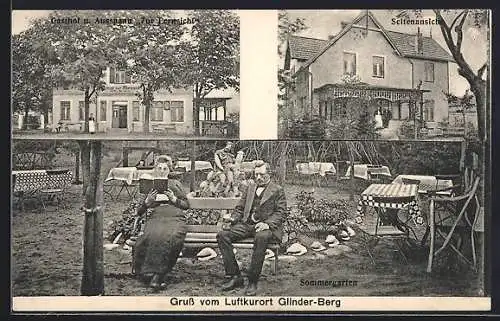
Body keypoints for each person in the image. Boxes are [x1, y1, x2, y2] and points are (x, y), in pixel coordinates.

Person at [216, 161, 287, 296]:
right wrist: (232, 218)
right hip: (247, 225)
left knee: (261, 237)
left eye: (262, 174)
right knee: (222, 235)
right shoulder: (250, 188)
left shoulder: (277, 190)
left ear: (269, 174)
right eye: (256, 175)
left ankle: (252, 281)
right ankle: (235, 275)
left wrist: (267, 224)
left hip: (266, 227)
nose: (258, 177)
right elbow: (240, 208)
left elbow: (281, 213)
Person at [132, 156, 190, 291]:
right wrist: (147, 202)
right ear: (155, 170)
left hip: (175, 216)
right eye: (159, 168)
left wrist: (174, 199)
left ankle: (158, 275)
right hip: (157, 216)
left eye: (165, 168)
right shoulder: (148, 185)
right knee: (152, 235)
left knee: (170, 236)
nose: (162, 171)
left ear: (169, 170)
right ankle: (149, 273)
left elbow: (186, 205)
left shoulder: (175, 184)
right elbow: (139, 211)